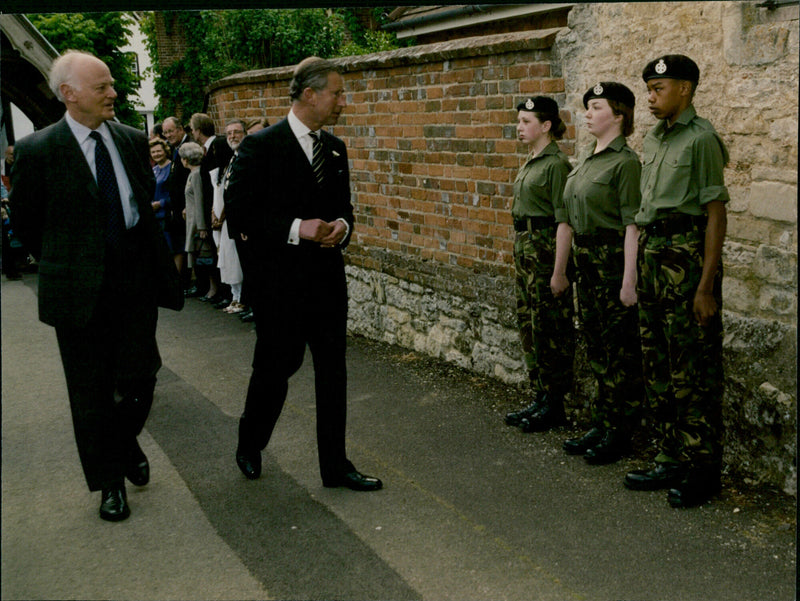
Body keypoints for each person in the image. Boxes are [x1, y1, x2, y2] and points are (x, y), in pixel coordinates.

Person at [8, 50, 183, 522]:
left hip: (133, 279)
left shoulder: (129, 140)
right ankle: (109, 484)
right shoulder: (38, 150)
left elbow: (141, 205)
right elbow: (25, 222)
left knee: (141, 378)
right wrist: (67, 261)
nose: (114, 93)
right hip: (77, 288)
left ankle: (123, 443)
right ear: (69, 94)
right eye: (102, 86)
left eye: (111, 85)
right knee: (90, 390)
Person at [225, 56, 382, 492]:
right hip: (280, 287)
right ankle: (251, 441)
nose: (342, 102)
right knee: (276, 368)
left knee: (333, 374)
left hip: (327, 283)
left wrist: (342, 228)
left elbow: (344, 209)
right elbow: (238, 214)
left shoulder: (334, 148)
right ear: (309, 94)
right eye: (337, 93)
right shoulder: (261, 146)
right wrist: (298, 228)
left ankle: (336, 467)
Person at [623, 55, 729, 508]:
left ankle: (702, 469)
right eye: (647, 88)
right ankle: (669, 455)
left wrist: (705, 286)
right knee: (658, 362)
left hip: (685, 257)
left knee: (693, 369)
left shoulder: (702, 139)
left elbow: (715, 214)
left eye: (658, 89)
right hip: (653, 252)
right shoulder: (653, 137)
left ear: (684, 89)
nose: (649, 97)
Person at [552, 82, 644, 465]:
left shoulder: (625, 163)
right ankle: (603, 420)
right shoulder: (587, 160)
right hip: (587, 263)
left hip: (610, 261)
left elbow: (631, 226)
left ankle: (621, 431)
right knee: (595, 344)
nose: (587, 114)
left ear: (619, 116)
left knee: (619, 349)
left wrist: (629, 280)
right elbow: (568, 218)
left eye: (596, 107)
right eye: (587, 107)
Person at [503, 96, 575, 433]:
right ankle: (541, 396)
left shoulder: (555, 165)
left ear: (546, 126)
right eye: (518, 121)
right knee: (530, 323)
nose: (519, 127)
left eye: (526, 121)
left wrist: (559, 271)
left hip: (546, 252)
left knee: (550, 327)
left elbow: (564, 221)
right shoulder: (531, 161)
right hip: (526, 250)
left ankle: (555, 403)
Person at [190, 112, 233, 304]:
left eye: (192, 129)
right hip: (212, 209)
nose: (192, 132)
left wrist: (218, 212)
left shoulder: (219, 146)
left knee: (224, 253)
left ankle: (229, 294)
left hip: (220, 209)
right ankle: (223, 293)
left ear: (198, 130)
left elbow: (222, 181)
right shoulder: (206, 150)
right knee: (218, 253)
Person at [212, 118, 247, 314]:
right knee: (230, 260)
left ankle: (244, 300)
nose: (232, 136)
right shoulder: (233, 159)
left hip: (241, 221)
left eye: (237, 132)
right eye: (229, 134)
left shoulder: (247, 157)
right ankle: (237, 297)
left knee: (241, 263)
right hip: (230, 221)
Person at [161, 116, 192, 291]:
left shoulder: (187, 147)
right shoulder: (176, 149)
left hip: (187, 206)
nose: (168, 135)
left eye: (170, 131)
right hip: (178, 208)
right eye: (165, 132)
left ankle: (189, 282)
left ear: (180, 129)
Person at [179, 141, 211, 288]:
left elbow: (199, 199)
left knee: (204, 256)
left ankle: (209, 287)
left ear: (185, 159)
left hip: (196, 223)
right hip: (191, 219)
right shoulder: (192, 174)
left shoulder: (197, 175)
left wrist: (202, 226)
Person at [149, 137, 173, 251]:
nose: (156, 154)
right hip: (155, 217)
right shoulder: (154, 169)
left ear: (165, 151)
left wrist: (161, 203)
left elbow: (177, 194)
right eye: (153, 152)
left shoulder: (172, 168)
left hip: (167, 217)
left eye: (159, 151)